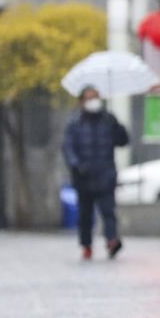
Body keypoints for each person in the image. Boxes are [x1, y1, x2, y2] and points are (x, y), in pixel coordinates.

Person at [62, 85, 130, 260]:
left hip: (105, 174)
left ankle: (112, 240)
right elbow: (68, 147)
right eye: (90, 98)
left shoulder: (108, 120)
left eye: (96, 97)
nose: (94, 101)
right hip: (83, 176)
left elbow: (123, 141)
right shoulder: (75, 123)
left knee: (108, 211)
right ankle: (86, 245)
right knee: (85, 214)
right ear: (82, 101)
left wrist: (118, 126)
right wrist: (76, 165)